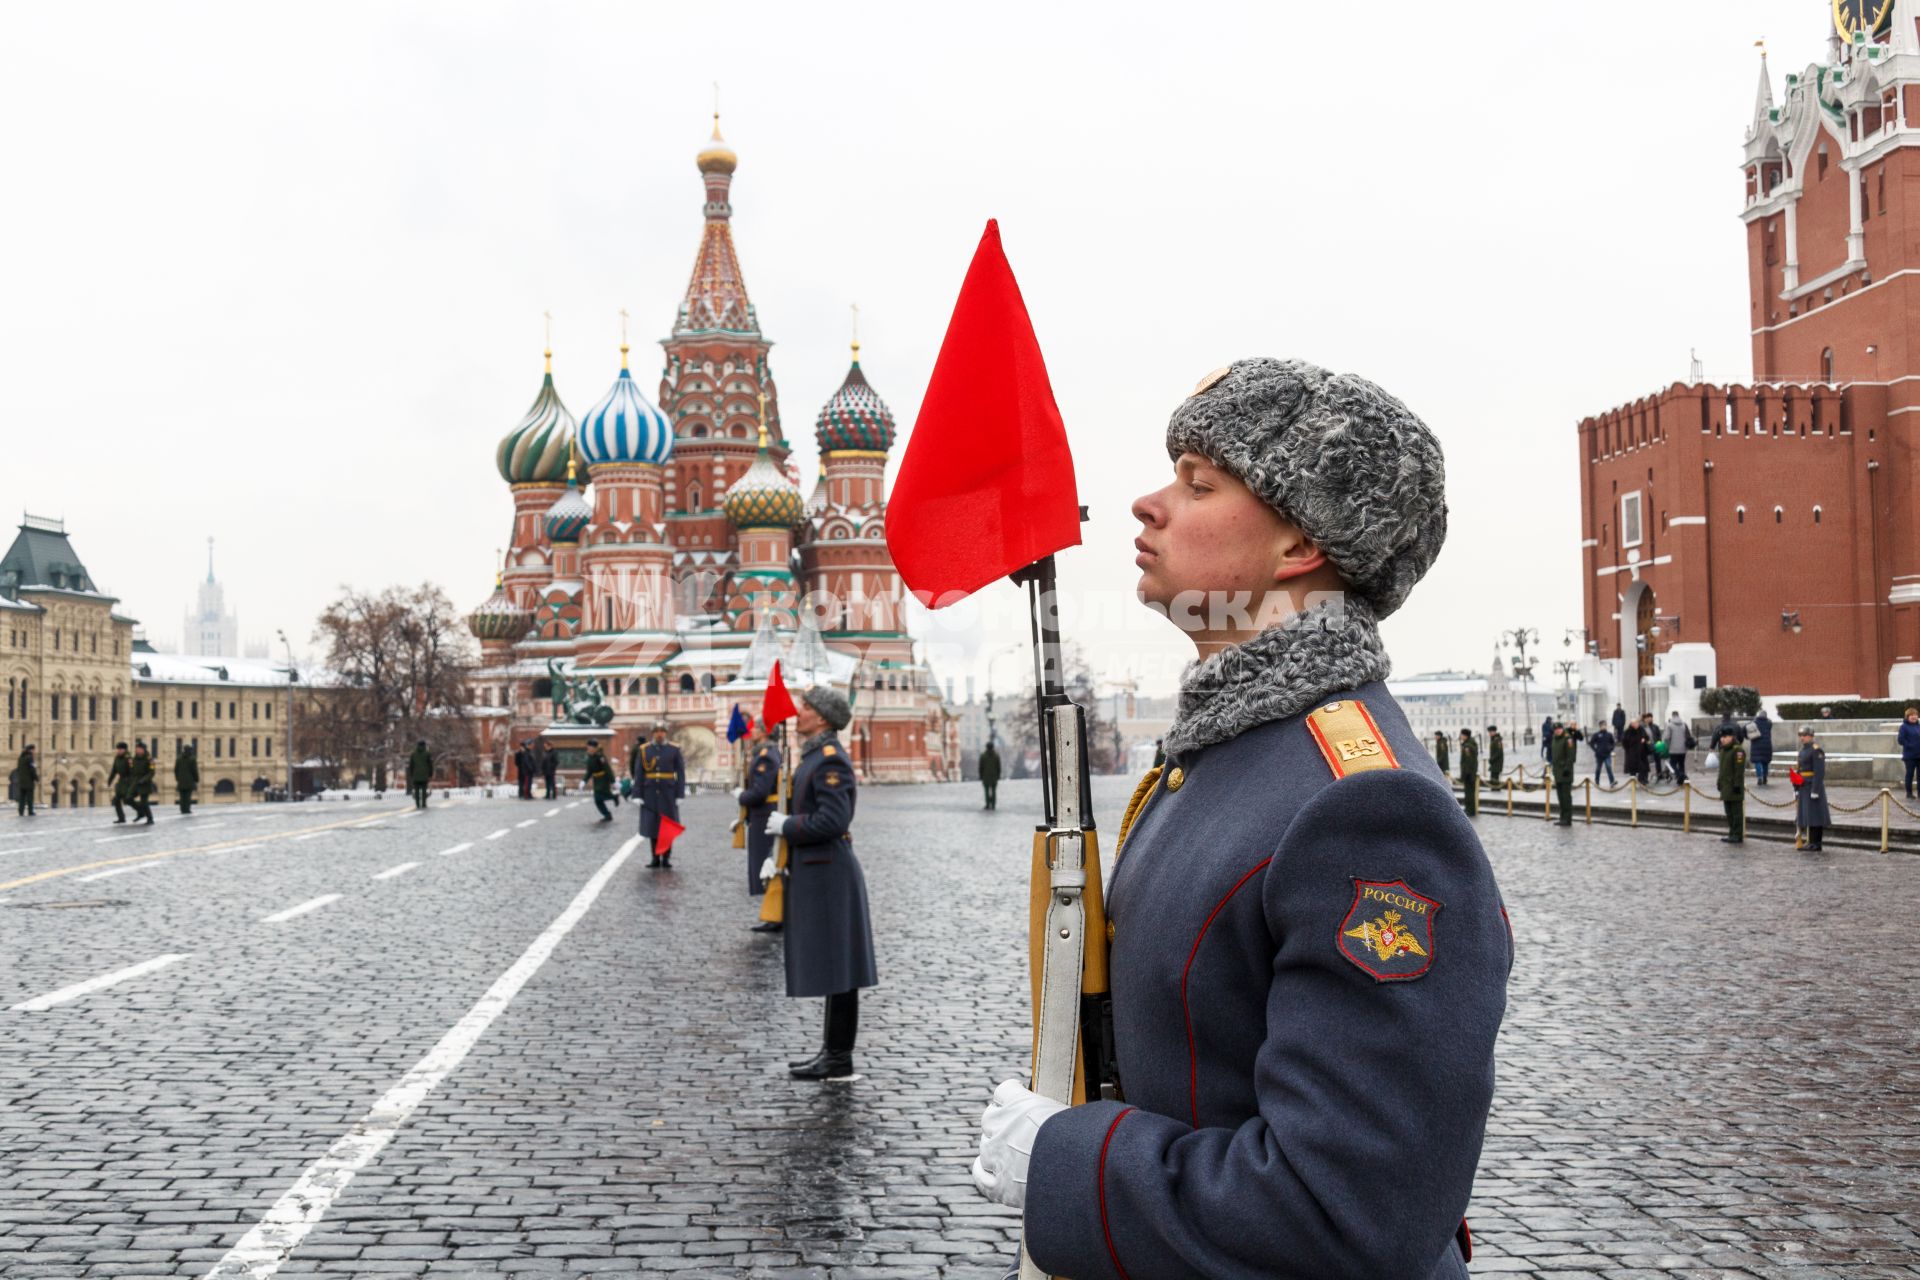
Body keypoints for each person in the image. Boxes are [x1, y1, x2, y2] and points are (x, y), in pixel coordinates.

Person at [971, 358, 1508, 1279]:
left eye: (1197, 483)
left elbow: (1347, 1211)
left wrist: (1071, 1160)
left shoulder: (1363, 805)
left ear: (1300, 543)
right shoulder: (1237, 756)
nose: (1147, 504)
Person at [760, 685, 874, 1081]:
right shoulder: (813, 756)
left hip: (830, 874)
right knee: (835, 967)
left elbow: (833, 820)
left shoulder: (830, 761)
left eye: (806, 707)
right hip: (818, 871)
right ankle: (832, 1053)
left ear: (823, 718)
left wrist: (787, 825)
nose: (799, 712)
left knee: (841, 969)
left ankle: (839, 1058)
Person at [736, 721, 783, 915]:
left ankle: (775, 913)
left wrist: (741, 796)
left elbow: (760, 792)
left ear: (764, 732)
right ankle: (772, 912)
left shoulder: (766, 757)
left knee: (765, 863)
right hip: (761, 813)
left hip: (764, 814)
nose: (751, 730)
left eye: (755, 727)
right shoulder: (763, 754)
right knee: (764, 862)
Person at [633, 722, 686, 868]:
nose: (659, 734)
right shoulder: (644, 750)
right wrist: (637, 794)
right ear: (652, 733)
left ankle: (666, 858)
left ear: (666, 733)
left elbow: (680, 773)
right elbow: (639, 773)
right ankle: (655, 858)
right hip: (649, 793)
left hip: (668, 793)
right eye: (656, 731)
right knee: (652, 826)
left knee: (667, 826)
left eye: (662, 731)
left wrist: (680, 794)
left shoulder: (674, 750)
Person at [1794, 724, 1829, 851]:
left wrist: (1815, 790)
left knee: (1816, 815)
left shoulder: (1816, 750)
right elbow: (1799, 770)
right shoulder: (1802, 750)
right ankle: (1811, 841)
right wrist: (1796, 788)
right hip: (1803, 786)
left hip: (1813, 786)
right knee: (1808, 815)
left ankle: (1817, 843)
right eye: (1800, 736)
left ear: (1811, 736)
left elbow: (1819, 772)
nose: (1802, 738)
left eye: (1804, 735)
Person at [1716, 725, 1747, 844]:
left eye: (1725, 737)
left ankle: (1737, 834)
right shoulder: (1723, 750)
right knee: (1728, 812)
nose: (1722, 739)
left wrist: (1737, 785)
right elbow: (1722, 769)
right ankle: (1731, 832)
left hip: (1734, 786)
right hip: (1725, 786)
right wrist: (1719, 781)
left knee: (1736, 812)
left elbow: (1739, 771)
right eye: (1721, 737)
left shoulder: (1737, 750)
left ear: (1732, 737)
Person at [1550, 721, 1576, 825]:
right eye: (1556, 729)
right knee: (1560, 797)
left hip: (1565, 773)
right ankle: (1562, 817)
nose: (1557, 730)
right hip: (1557, 772)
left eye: (1559, 729)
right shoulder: (1555, 739)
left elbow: (1571, 756)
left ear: (1562, 729)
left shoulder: (1567, 739)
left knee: (1566, 797)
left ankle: (1567, 819)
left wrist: (1567, 768)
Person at [583, 738, 615, 822]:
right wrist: (584, 781)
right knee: (600, 798)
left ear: (594, 748)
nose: (588, 748)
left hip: (603, 779)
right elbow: (589, 771)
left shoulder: (600, 756)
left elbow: (607, 769)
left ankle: (608, 814)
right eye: (588, 747)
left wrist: (613, 781)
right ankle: (608, 813)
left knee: (598, 798)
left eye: (590, 747)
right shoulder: (590, 757)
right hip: (596, 780)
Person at [128, 742, 156, 825]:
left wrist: (144, 780)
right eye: (137, 749)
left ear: (143, 750)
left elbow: (152, 772)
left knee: (144, 802)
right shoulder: (134, 759)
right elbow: (132, 770)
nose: (137, 750)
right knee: (128, 798)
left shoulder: (150, 760)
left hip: (145, 784)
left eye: (139, 749)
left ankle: (150, 819)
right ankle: (141, 812)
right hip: (135, 782)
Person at [1666, 711, 1692, 787]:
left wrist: (1667, 746)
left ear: (1672, 716)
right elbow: (1688, 735)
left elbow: (1667, 737)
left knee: (1672, 764)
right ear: (1678, 715)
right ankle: (1681, 781)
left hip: (1673, 749)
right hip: (1683, 749)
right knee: (1681, 764)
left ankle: (1680, 775)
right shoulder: (1684, 724)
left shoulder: (1669, 725)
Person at [1899, 707, 1920, 799]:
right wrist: (1910, 745)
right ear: (1907, 717)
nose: (1914, 717)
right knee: (1910, 775)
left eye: (1915, 715)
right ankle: (1909, 793)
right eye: (1911, 715)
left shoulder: (1918, 726)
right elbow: (1901, 740)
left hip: (1919, 755)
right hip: (1910, 756)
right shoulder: (1904, 727)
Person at [108, 743, 132, 823]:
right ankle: (121, 818)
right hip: (121, 781)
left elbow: (133, 771)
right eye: (118, 749)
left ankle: (142, 811)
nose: (118, 751)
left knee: (128, 800)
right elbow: (114, 770)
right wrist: (110, 780)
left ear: (124, 750)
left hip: (128, 782)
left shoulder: (128, 758)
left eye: (120, 749)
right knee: (116, 800)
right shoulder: (117, 758)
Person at [406, 739, 433, 810]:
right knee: (424, 790)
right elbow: (430, 765)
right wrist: (430, 774)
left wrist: (411, 774)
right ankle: (424, 803)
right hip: (424, 775)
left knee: (416, 790)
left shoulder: (413, 754)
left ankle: (417, 804)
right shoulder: (427, 754)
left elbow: (411, 765)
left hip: (416, 775)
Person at [1458, 727, 1479, 816]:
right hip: (1469, 772)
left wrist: (1465, 774)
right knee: (1467, 792)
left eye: (1462, 735)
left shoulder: (1468, 746)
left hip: (1469, 773)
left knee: (1469, 792)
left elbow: (1469, 761)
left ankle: (1470, 810)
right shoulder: (1467, 744)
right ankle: (1468, 808)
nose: (1461, 736)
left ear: (1465, 735)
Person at [1751, 707, 1774, 785]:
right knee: (1765, 762)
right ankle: (1765, 777)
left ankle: (1759, 777)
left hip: (1756, 745)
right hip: (1767, 745)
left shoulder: (1754, 723)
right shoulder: (1769, 723)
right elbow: (1770, 723)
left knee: (1758, 761)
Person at [175, 743, 199, 815]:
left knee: (182, 796)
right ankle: (187, 809)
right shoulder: (192, 759)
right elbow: (194, 770)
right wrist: (196, 779)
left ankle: (182, 809)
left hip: (181, 780)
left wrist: (178, 778)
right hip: (189, 780)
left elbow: (176, 770)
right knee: (188, 796)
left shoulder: (178, 758)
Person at [1621, 716, 1646, 784]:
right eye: (1635, 723)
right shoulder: (1627, 732)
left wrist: (1644, 739)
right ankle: (1633, 781)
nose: (1637, 724)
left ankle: (1642, 780)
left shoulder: (1641, 729)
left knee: (1642, 767)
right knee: (1632, 769)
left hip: (1641, 753)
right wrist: (1628, 750)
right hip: (1631, 753)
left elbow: (1646, 736)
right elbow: (1624, 742)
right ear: (1632, 724)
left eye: (1637, 723)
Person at [13, 744, 36, 816]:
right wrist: (36, 777)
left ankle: (21, 811)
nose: (34, 751)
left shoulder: (20, 758)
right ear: (31, 750)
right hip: (28, 781)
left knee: (22, 797)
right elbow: (32, 769)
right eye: (34, 750)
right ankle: (30, 811)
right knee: (30, 797)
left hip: (21, 781)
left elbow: (18, 769)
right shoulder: (30, 757)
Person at [978, 740, 1001, 811]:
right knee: (994, 791)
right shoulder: (996, 756)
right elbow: (998, 767)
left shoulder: (983, 756)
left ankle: (988, 804)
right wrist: (998, 775)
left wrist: (981, 775)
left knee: (986, 791)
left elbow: (981, 767)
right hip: (994, 776)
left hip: (986, 776)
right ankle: (993, 804)